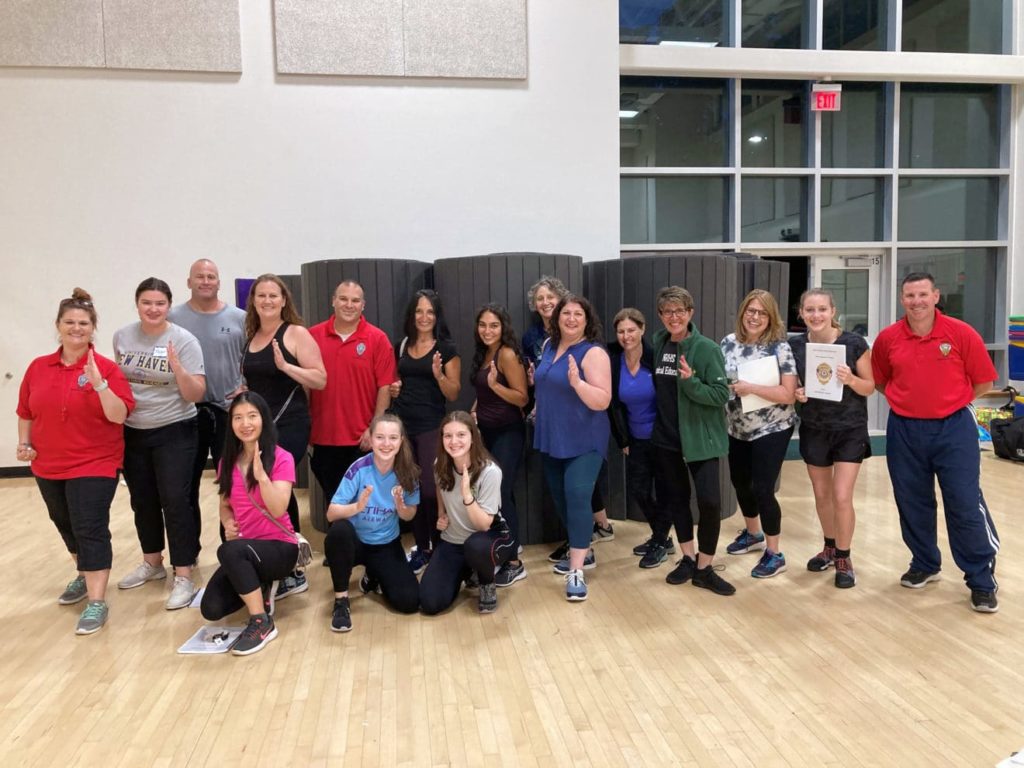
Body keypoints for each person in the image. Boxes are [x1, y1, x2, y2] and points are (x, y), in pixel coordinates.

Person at [872, 272, 1000, 613]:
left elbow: (985, 382)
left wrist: (949, 404)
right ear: (902, 299)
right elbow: (881, 381)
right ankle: (925, 563)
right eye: (910, 295)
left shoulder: (961, 333)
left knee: (964, 502)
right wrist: (910, 403)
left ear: (936, 296)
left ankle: (981, 580)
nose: (916, 301)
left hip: (954, 429)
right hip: (904, 430)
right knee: (911, 500)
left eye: (922, 294)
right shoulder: (888, 338)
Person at [16, 289, 135, 634]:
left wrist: (100, 385)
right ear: (58, 325)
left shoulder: (107, 369)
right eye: (69, 322)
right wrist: (24, 443)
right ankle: (83, 574)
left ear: (93, 327)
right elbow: (25, 411)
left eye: (83, 323)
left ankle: (97, 601)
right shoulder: (38, 367)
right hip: (48, 464)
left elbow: (119, 415)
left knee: (89, 526)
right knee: (64, 522)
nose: (76, 328)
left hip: (95, 462)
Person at [114, 277, 206, 609]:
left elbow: (197, 393)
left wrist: (178, 368)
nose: (153, 309)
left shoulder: (184, 340)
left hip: (175, 429)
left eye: (159, 303)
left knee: (175, 501)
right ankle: (152, 562)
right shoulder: (122, 337)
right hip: (134, 430)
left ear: (168, 306)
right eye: (146, 303)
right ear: (137, 304)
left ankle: (183, 574)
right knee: (142, 500)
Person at [241, 274, 326, 600]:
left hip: (290, 424)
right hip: (260, 428)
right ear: (253, 301)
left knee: (276, 486)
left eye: (273, 295)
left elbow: (320, 379)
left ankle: (293, 568)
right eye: (261, 295)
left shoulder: (295, 333)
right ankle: (276, 559)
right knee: (266, 491)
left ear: (284, 300)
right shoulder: (252, 336)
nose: (267, 301)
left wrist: (286, 366)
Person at [645, 288, 735, 595]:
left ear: (690, 313)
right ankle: (687, 558)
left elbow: (721, 395)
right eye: (668, 312)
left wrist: (691, 383)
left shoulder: (707, 349)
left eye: (680, 311)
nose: (674, 317)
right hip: (666, 439)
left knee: (710, 502)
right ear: (661, 316)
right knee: (677, 501)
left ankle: (704, 568)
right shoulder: (658, 343)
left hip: (700, 439)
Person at [523, 276, 615, 560]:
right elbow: (549, 384)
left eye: (578, 314)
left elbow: (603, 400)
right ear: (557, 317)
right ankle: (583, 548)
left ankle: (580, 561)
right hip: (552, 434)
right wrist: (538, 381)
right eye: (566, 313)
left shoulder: (594, 352)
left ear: (587, 321)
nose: (571, 319)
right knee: (560, 496)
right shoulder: (549, 345)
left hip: (584, 436)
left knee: (576, 497)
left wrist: (578, 384)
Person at [200, 392, 299, 656]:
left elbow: (278, 509)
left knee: (229, 551)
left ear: (263, 419)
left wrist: (261, 477)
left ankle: (261, 621)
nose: (245, 424)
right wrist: (228, 522)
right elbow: (225, 505)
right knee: (211, 608)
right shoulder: (227, 462)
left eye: (252, 416)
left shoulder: (282, 457)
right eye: (238, 418)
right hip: (246, 550)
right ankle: (261, 586)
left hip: (280, 548)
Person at [789, 288, 875, 589]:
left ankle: (844, 557)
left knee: (841, 496)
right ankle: (828, 547)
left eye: (822, 309)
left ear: (832, 311)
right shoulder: (795, 346)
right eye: (810, 310)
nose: (816, 315)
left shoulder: (853, 343)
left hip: (849, 429)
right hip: (814, 427)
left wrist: (850, 379)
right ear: (802, 313)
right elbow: (794, 386)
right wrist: (798, 394)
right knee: (822, 495)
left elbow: (869, 387)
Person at [168, 259, 246, 548]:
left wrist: (246, 384)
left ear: (219, 283)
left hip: (228, 412)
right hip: (186, 413)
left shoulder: (239, 318)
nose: (205, 281)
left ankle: (233, 549)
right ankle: (188, 553)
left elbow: (252, 356)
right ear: (189, 282)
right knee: (185, 486)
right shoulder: (172, 318)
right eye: (199, 276)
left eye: (211, 276)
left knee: (232, 485)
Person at [720, 289, 798, 579]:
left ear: (771, 317)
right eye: (751, 311)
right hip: (737, 426)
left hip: (773, 426)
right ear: (743, 312)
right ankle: (753, 534)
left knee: (763, 488)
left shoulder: (780, 347)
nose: (755, 317)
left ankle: (775, 553)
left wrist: (750, 388)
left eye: (762, 313)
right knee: (740, 482)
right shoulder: (728, 343)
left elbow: (788, 394)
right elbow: (721, 380)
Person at [323, 414, 421, 632]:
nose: (386, 444)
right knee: (338, 532)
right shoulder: (359, 468)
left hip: (385, 544)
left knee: (410, 602)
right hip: (355, 543)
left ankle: (374, 573)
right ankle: (341, 602)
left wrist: (400, 506)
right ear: (371, 439)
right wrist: (357, 507)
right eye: (380, 437)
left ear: (401, 441)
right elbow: (331, 513)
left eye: (392, 438)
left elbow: (410, 515)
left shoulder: (408, 472)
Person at [389, 289, 461, 574]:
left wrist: (439, 375)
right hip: (403, 427)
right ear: (412, 314)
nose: (424, 317)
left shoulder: (447, 349)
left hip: (431, 426)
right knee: (411, 489)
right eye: (419, 311)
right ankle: (422, 548)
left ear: (437, 316)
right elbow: (394, 382)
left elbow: (453, 393)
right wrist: (394, 388)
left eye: (430, 311)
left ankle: (441, 547)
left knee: (431, 491)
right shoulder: (401, 346)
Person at [308, 280, 395, 508]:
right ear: (333, 301)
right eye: (343, 299)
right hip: (323, 438)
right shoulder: (312, 336)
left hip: (361, 440)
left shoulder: (377, 339)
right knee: (335, 504)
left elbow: (385, 387)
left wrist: (374, 429)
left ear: (363, 305)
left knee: (364, 504)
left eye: (355, 300)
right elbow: (303, 385)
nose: (349, 305)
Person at [420, 412, 516, 615]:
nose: (454, 441)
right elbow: (439, 487)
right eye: (448, 436)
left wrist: (467, 496)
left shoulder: (490, 471)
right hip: (453, 541)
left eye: (461, 435)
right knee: (430, 602)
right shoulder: (440, 464)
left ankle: (486, 582)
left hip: (489, 537)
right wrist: (442, 513)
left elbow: (484, 525)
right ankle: (466, 570)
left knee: (475, 545)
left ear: (473, 437)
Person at [469, 303, 529, 588]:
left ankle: (514, 563)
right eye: (483, 325)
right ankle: (506, 547)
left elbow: (521, 398)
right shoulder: (484, 353)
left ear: (503, 327)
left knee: (502, 492)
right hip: (487, 433)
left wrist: (495, 387)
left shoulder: (506, 354)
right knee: (495, 493)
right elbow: (484, 390)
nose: (487, 330)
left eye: (493, 325)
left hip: (508, 432)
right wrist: (475, 409)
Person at [606, 308, 660, 556]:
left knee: (666, 491)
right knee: (640, 491)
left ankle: (661, 539)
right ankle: (661, 536)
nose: (626, 336)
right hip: (635, 439)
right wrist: (623, 439)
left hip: (661, 438)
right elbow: (614, 405)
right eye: (621, 331)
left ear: (642, 329)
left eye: (631, 330)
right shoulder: (614, 360)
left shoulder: (655, 357)